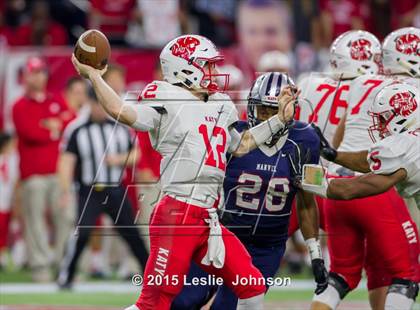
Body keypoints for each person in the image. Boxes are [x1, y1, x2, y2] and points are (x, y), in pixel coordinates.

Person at [71, 34, 298, 310]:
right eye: (208, 65)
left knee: (252, 286)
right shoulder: (165, 95)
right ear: (184, 67)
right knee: (153, 304)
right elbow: (121, 110)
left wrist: (278, 121)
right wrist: (95, 77)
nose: (215, 72)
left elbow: (241, 144)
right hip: (177, 214)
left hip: (207, 217)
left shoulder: (220, 104)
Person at [172, 72, 327, 310]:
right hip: (221, 238)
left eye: (272, 111)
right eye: (262, 110)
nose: (266, 117)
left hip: (266, 248)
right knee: (182, 302)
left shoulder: (305, 140)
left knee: (227, 308)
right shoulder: (235, 136)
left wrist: (315, 253)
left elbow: (307, 200)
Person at [303, 82, 420, 310]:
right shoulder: (409, 142)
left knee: (407, 276)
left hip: (348, 197)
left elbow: (350, 189)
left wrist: (304, 177)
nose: (381, 126)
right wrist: (333, 155)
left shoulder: (404, 146)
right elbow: (369, 161)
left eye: (385, 118)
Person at [57, 88, 149, 289]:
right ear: (89, 103)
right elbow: (66, 161)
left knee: (132, 234)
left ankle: (151, 276)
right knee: (82, 233)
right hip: (89, 190)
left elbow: (136, 154)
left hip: (115, 190)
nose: (101, 108)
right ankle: (67, 276)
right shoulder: (77, 128)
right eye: (97, 103)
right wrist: (65, 191)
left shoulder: (119, 127)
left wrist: (117, 160)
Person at [12, 56, 74, 282]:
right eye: (33, 72)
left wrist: (51, 126)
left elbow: (71, 122)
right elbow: (31, 133)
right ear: (26, 76)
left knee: (64, 218)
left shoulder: (55, 100)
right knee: (35, 220)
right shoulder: (19, 105)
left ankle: (62, 264)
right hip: (33, 175)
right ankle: (40, 267)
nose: (38, 76)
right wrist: (53, 127)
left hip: (59, 173)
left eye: (41, 72)